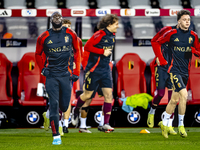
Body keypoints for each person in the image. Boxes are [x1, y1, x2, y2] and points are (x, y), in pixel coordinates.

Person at [151, 10, 200, 138]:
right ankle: (181, 126)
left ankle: (164, 122)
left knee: (174, 100)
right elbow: (156, 42)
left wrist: (194, 50)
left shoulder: (193, 36)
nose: (187, 22)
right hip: (174, 70)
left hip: (185, 72)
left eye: (188, 19)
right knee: (184, 94)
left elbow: (198, 52)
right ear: (178, 21)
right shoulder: (171, 33)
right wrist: (161, 59)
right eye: (184, 19)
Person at [35, 11, 81, 145]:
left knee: (64, 105)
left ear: (61, 19)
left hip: (66, 75)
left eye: (59, 17)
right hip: (51, 75)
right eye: (54, 17)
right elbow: (37, 54)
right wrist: (43, 69)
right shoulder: (43, 37)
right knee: (54, 104)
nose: (57, 19)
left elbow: (78, 52)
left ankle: (50, 116)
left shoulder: (70, 34)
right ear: (51, 20)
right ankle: (56, 135)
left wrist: (76, 71)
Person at [71, 14, 119, 133]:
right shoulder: (100, 34)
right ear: (109, 24)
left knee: (109, 95)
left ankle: (105, 124)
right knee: (87, 96)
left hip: (105, 70)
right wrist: (102, 51)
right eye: (116, 24)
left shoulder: (112, 36)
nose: (118, 26)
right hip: (94, 70)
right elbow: (86, 46)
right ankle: (75, 110)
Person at [147, 25, 179, 136]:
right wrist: (158, 57)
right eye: (184, 20)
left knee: (172, 99)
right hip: (162, 67)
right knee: (160, 93)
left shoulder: (187, 36)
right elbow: (154, 41)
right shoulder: (167, 30)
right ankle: (152, 112)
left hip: (174, 68)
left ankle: (169, 125)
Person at [61, 18, 83, 133]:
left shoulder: (77, 40)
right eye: (64, 25)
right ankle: (51, 115)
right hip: (55, 71)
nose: (66, 28)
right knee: (55, 99)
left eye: (68, 26)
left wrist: (76, 70)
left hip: (68, 72)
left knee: (66, 98)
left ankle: (64, 125)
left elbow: (79, 55)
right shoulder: (53, 39)